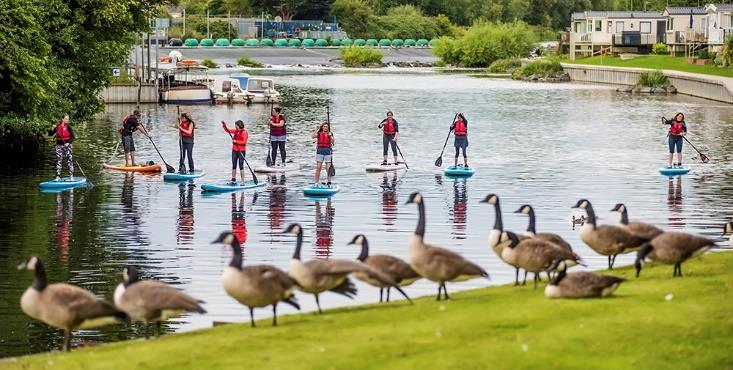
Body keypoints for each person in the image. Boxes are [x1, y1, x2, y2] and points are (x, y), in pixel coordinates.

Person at [48, 114, 75, 180]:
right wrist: (52, 128)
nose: (67, 120)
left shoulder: (69, 127)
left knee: (69, 160)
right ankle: (58, 176)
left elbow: (73, 137)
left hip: (67, 146)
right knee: (59, 160)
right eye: (66, 119)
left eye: (68, 119)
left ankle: (71, 176)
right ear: (62, 119)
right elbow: (50, 134)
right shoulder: (57, 126)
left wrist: (68, 143)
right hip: (59, 146)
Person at [222, 120, 249, 184]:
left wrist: (236, 141)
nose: (235, 126)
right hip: (234, 151)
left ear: (238, 125)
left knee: (241, 166)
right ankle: (233, 180)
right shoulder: (236, 131)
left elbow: (244, 142)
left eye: (236, 125)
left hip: (241, 151)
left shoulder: (244, 132)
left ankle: (242, 181)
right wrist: (224, 125)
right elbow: (227, 130)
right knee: (234, 165)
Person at [311, 121, 334, 187]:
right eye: (324, 126)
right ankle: (316, 183)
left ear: (328, 128)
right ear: (322, 127)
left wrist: (330, 136)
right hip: (320, 152)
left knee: (328, 168)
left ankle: (329, 182)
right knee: (318, 168)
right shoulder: (319, 133)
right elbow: (312, 136)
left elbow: (333, 142)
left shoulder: (330, 133)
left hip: (327, 152)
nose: (325, 128)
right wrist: (316, 129)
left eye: (326, 127)